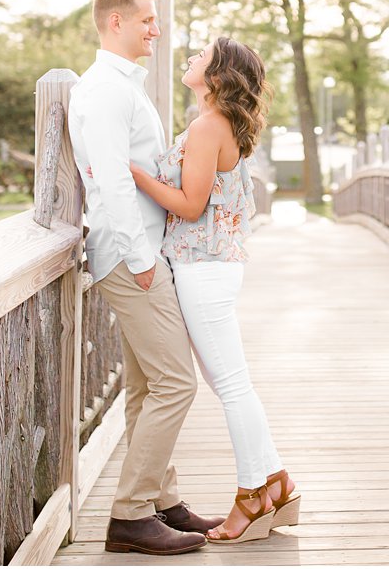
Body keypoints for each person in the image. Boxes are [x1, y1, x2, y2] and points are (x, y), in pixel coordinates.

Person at [68, 0, 223, 556]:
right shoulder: (106, 91)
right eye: (146, 21)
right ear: (115, 23)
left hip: (140, 251)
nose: (157, 30)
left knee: (145, 386)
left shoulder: (122, 86)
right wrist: (140, 260)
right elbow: (109, 179)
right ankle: (131, 514)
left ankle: (161, 500)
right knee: (177, 382)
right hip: (131, 256)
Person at [129, 35, 300, 545]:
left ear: (219, 75)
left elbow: (189, 204)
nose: (189, 58)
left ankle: (253, 495)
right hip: (210, 266)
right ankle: (276, 484)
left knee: (230, 386)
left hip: (203, 268)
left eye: (200, 56)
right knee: (233, 383)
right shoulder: (215, 124)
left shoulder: (208, 126)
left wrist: (134, 175)